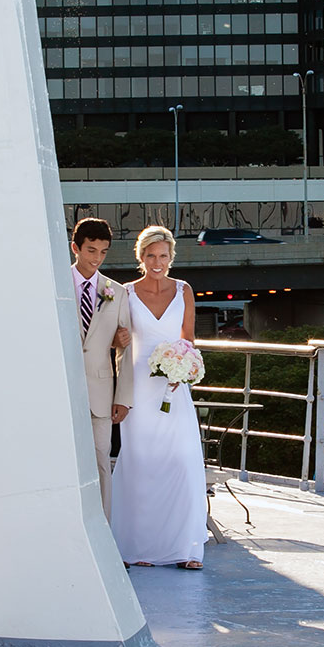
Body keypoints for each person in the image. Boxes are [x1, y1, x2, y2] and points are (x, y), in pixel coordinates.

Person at [110, 225, 208, 569]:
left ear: (171, 257)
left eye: (163, 256)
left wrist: (186, 369)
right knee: (141, 462)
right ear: (141, 257)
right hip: (137, 386)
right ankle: (141, 549)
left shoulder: (184, 290)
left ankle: (185, 548)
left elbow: (189, 339)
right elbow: (114, 339)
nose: (157, 261)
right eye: (150, 255)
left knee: (181, 459)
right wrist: (118, 339)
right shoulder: (125, 292)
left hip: (173, 386)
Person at [71, 217, 132, 521]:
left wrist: (123, 396)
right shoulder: (54, 285)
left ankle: (105, 538)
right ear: (75, 248)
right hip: (64, 392)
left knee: (101, 465)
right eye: (91, 250)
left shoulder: (116, 292)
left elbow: (125, 349)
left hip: (101, 393)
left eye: (103, 252)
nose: (96, 258)